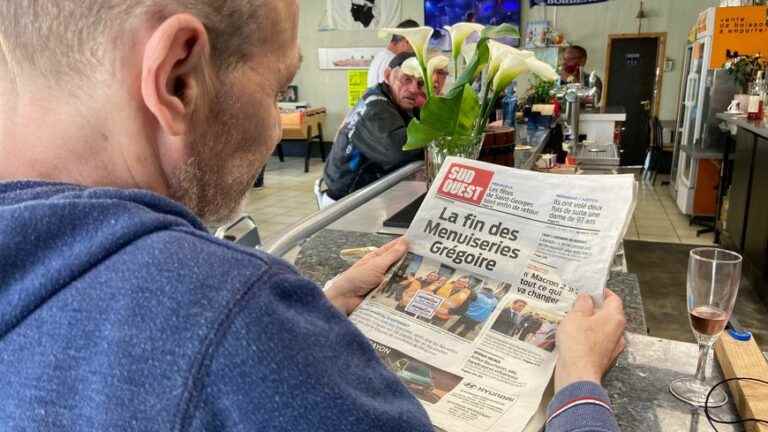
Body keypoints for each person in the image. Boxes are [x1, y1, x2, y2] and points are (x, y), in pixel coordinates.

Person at [0, 1, 626, 430]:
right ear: (177, 80)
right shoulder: (229, 314)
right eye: (276, 89)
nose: (277, 125)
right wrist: (576, 383)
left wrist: (313, 315)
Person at [322, 52, 424, 204]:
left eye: (420, 83)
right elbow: (397, 150)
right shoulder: (376, 105)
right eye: (406, 79)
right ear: (387, 75)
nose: (414, 89)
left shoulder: (396, 100)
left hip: (364, 195)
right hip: (344, 201)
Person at [367, 19, 419, 88]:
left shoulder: (379, 56)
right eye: (415, 44)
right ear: (407, 41)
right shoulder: (394, 63)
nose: (415, 50)